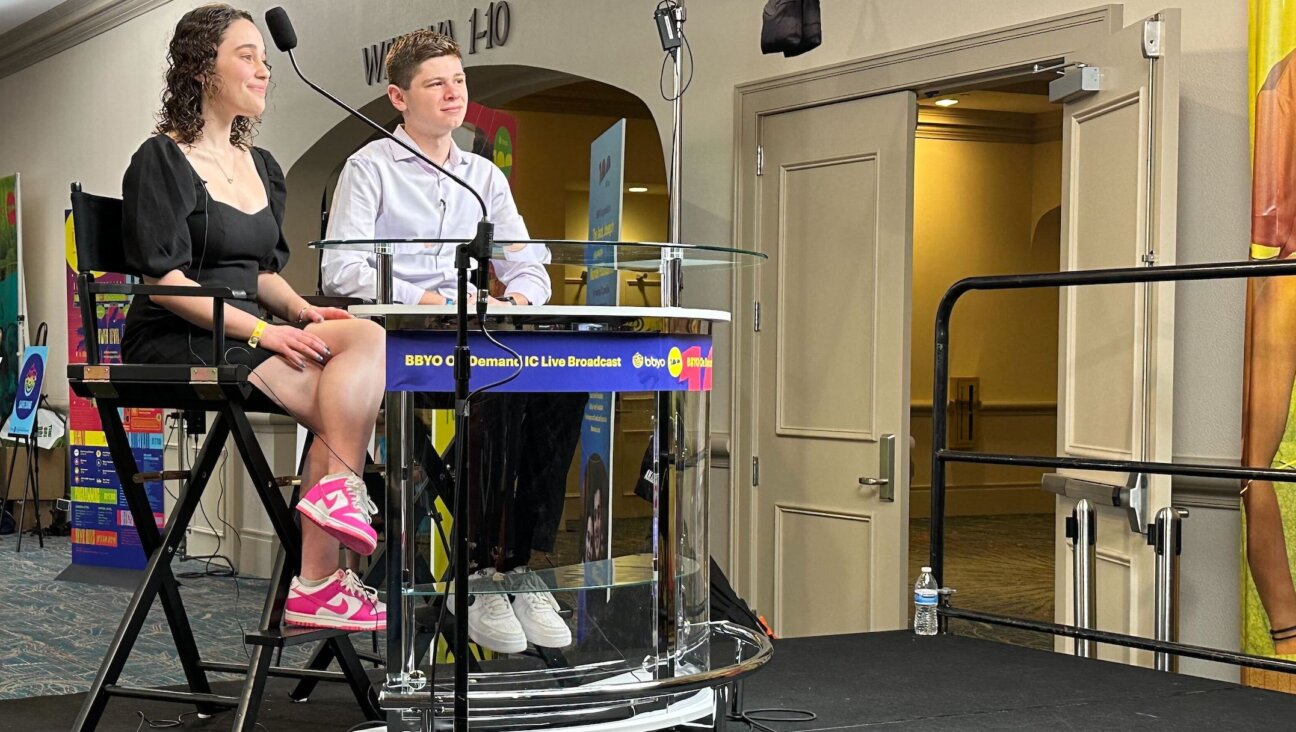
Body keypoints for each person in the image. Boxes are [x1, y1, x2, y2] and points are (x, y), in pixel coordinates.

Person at [120, 4, 386, 632]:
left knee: (366, 337)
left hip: (243, 324)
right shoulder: (162, 158)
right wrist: (268, 330)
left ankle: (330, 504)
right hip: (176, 333)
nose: (265, 69)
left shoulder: (261, 166)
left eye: (265, 57)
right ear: (201, 67)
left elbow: (260, 273)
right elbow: (164, 284)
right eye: (247, 55)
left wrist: (299, 309)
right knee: (332, 396)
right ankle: (319, 581)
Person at [321, 30, 574, 653]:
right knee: (503, 383)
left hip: (477, 330)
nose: (452, 93)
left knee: (561, 373)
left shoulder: (482, 176)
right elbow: (340, 270)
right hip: (401, 340)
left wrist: (517, 298)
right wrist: (423, 297)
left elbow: (529, 263)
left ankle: (514, 567)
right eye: (435, 83)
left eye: (459, 81)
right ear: (398, 97)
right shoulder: (369, 167)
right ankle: (482, 570)